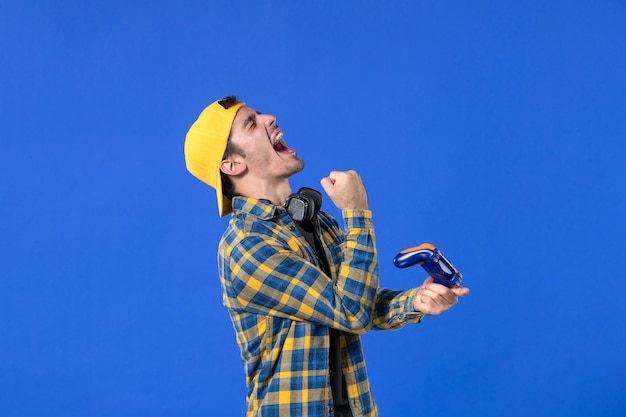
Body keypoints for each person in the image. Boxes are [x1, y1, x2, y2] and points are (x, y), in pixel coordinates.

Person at [184, 96, 470, 417]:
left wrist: (415, 301)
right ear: (233, 165)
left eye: (260, 113)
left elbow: (355, 300)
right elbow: (350, 311)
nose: (270, 117)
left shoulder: (316, 221)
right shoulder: (246, 246)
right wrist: (357, 212)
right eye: (251, 122)